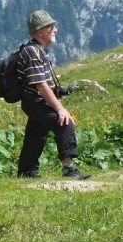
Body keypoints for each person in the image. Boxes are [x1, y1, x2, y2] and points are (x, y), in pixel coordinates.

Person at [16, 10, 91, 180]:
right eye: (51, 26)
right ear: (40, 31)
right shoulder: (32, 52)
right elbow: (40, 85)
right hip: (35, 101)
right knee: (63, 122)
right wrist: (60, 109)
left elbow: (44, 84)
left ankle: (26, 172)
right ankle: (68, 169)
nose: (55, 29)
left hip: (35, 101)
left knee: (36, 134)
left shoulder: (39, 51)